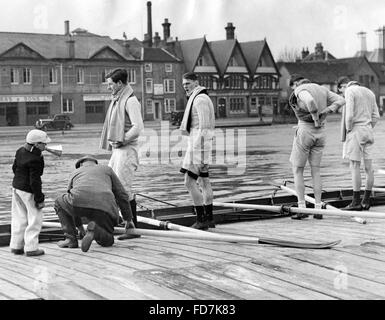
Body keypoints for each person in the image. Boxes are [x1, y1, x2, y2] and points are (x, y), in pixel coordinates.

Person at [288, 74, 345, 219]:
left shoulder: (300, 89)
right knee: (316, 171)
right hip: (321, 133)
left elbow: (310, 101)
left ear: (296, 84)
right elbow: (341, 100)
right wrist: (327, 111)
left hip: (306, 131)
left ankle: (302, 208)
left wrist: (314, 118)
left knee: (298, 170)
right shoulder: (322, 89)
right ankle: (318, 208)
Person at [54, 155, 136, 253]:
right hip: (106, 207)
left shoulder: (75, 172)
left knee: (59, 202)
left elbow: (70, 202)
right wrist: (128, 219)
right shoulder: (107, 169)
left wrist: (79, 227)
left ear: (80, 164)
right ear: (95, 163)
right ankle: (97, 230)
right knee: (107, 241)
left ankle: (70, 239)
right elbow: (122, 195)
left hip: (79, 203)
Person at [100, 68, 144, 230]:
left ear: (119, 83)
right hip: (118, 151)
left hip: (127, 150)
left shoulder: (130, 101)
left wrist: (122, 140)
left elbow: (138, 127)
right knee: (112, 186)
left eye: (110, 84)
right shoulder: (118, 99)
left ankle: (132, 227)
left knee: (123, 189)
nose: (108, 87)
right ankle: (125, 223)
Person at [336, 76, 380, 210]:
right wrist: (367, 126)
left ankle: (355, 202)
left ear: (343, 86)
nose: (343, 95)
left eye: (341, 92)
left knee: (354, 166)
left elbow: (349, 116)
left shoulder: (350, 91)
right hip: (368, 130)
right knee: (368, 168)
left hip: (355, 130)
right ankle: (366, 201)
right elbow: (376, 116)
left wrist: (349, 129)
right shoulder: (369, 92)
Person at [179, 72, 215, 230]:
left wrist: (195, 150)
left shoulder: (199, 99)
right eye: (183, 84)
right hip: (201, 147)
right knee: (204, 181)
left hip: (198, 147)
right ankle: (210, 218)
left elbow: (204, 127)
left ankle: (201, 220)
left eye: (187, 83)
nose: (185, 87)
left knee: (189, 182)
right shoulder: (202, 97)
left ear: (196, 83)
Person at [10, 129, 51, 257]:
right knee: (34, 219)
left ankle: (16, 246)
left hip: (16, 187)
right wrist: (39, 198)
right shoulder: (36, 158)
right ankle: (31, 248)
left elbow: (14, 168)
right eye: (43, 143)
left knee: (19, 218)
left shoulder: (20, 151)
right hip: (29, 191)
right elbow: (35, 180)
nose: (46, 146)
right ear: (37, 144)